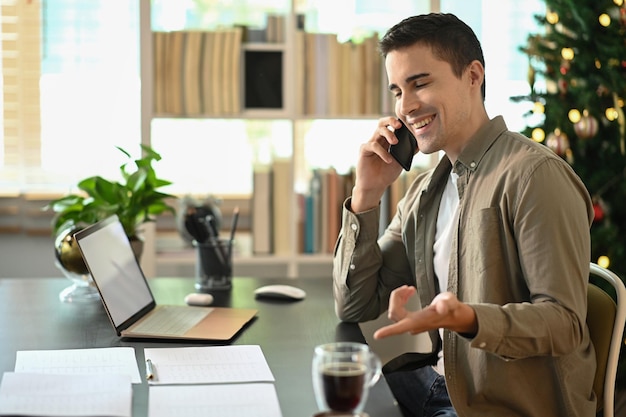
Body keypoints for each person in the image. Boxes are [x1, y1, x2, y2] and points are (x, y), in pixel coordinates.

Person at [332, 12, 596, 417]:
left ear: (473, 76)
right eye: (397, 91)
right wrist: (366, 195)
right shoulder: (425, 191)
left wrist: (470, 319)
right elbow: (355, 307)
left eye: (420, 83)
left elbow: (565, 324)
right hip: (439, 381)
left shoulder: (534, 176)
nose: (405, 107)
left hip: (499, 404)